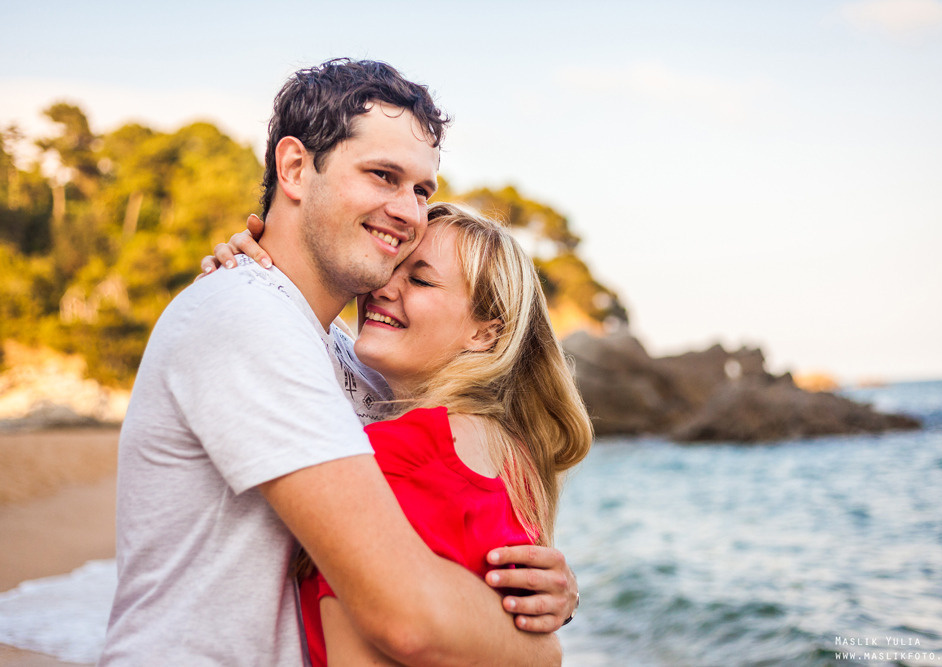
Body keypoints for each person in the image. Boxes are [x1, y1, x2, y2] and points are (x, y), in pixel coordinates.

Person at [101, 59, 575, 665]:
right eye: (383, 175)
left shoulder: (354, 359)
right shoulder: (247, 316)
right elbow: (406, 617)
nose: (409, 212)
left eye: (421, 190)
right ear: (295, 168)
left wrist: (545, 594)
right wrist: (543, 650)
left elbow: (451, 512)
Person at [211, 202, 592, 665]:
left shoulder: (399, 453)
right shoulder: (511, 458)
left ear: (485, 334)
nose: (383, 286)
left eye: (421, 280)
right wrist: (260, 269)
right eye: (390, 267)